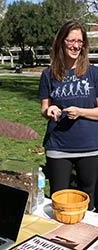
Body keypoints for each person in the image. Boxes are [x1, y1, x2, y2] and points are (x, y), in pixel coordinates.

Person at [39, 20, 98, 211]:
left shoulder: (93, 73)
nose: (75, 46)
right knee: (59, 200)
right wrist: (49, 111)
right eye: (71, 41)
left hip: (90, 146)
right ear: (61, 43)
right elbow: (44, 108)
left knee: (88, 201)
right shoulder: (48, 74)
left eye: (79, 41)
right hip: (58, 146)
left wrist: (80, 112)